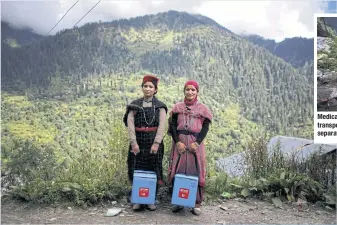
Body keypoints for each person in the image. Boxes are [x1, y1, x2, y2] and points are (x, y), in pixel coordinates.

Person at [123, 74, 168, 211]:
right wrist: (134, 143)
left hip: (154, 144)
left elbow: (162, 126)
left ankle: (150, 200)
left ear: (155, 89)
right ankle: (137, 199)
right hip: (138, 144)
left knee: (152, 171)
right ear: (142, 88)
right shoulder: (134, 105)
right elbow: (130, 125)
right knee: (137, 170)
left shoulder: (160, 106)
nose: (148, 89)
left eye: (151, 86)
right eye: (145, 86)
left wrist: (156, 143)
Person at [167, 80, 212, 216]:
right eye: (187, 89)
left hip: (195, 143)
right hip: (179, 142)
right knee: (178, 169)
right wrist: (177, 142)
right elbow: (173, 126)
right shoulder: (177, 108)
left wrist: (197, 143)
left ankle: (196, 203)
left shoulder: (203, 109)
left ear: (197, 92)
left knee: (196, 170)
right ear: (184, 91)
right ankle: (178, 201)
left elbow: (205, 127)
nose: (190, 92)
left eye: (193, 90)